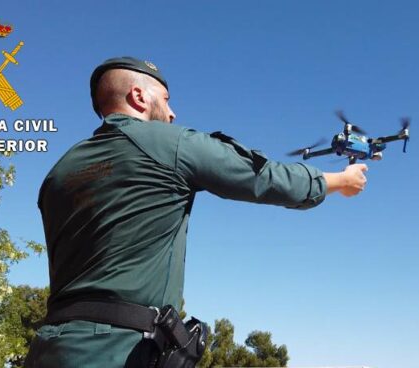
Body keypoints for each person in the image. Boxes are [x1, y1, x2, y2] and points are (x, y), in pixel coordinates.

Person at [24, 57, 368, 368]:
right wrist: (341, 180)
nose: (172, 114)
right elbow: (265, 178)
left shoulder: (58, 172)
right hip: (121, 351)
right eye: (167, 101)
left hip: (47, 348)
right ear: (139, 97)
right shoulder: (169, 144)